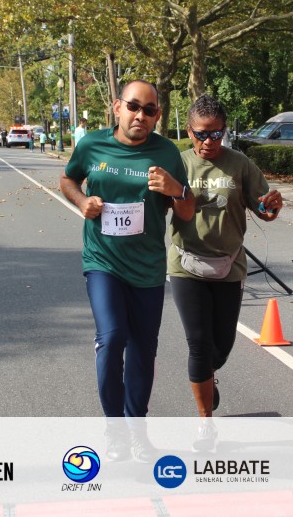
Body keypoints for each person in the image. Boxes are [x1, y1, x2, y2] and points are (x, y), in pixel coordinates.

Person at [59, 80, 193, 462]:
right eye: (133, 106)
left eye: (149, 110)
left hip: (147, 267)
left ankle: (137, 431)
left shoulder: (167, 152)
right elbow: (68, 179)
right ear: (117, 107)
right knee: (112, 336)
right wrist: (82, 201)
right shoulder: (92, 145)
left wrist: (176, 189)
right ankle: (115, 430)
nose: (140, 116)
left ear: (158, 115)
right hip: (102, 261)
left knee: (142, 351)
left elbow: (187, 212)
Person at [168, 95, 282, 452]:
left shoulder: (240, 164)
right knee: (199, 344)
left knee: (222, 346)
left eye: (216, 134)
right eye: (201, 134)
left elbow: (264, 209)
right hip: (185, 264)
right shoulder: (177, 163)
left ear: (225, 131)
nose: (208, 142)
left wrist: (271, 207)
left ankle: (208, 374)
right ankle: (206, 423)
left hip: (228, 266)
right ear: (189, 131)